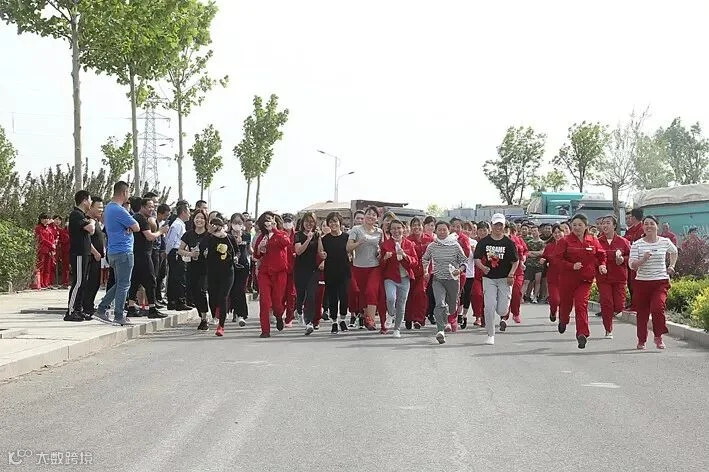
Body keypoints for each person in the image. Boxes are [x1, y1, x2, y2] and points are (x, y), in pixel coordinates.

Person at [556, 214, 607, 349]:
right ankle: (563, 320)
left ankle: (582, 334)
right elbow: (557, 260)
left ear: (586, 226)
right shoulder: (565, 241)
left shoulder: (592, 240)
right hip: (567, 280)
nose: (577, 227)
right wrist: (571, 266)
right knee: (566, 305)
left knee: (581, 305)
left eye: (580, 225)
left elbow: (601, 255)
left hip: (585, 279)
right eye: (574, 225)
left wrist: (602, 265)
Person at [629, 216, 678, 350]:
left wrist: (671, 266)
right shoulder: (637, 244)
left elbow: (674, 252)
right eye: (646, 224)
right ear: (643, 227)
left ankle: (658, 336)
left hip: (660, 282)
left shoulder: (665, 241)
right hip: (642, 283)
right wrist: (643, 260)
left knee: (658, 308)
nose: (649, 226)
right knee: (642, 313)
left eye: (651, 223)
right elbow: (632, 265)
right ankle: (641, 340)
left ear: (657, 226)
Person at [96, 182, 138, 325]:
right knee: (124, 284)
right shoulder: (119, 210)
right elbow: (136, 227)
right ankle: (119, 315)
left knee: (120, 283)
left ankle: (102, 308)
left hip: (113, 251)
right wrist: (129, 227)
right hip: (123, 251)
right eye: (128, 192)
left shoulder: (108, 208)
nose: (129, 195)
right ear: (124, 192)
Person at [474, 214, 519, 345]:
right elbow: (476, 258)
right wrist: (482, 267)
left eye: (500, 225)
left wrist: (511, 274)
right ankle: (490, 334)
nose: (498, 227)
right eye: (496, 225)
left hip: (504, 279)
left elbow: (515, 261)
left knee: (502, 310)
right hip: (489, 279)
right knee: (489, 306)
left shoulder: (508, 243)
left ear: (504, 226)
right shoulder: (484, 242)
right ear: (492, 225)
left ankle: (503, 307)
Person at [422, 221, 468, 344]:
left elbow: (464, 261)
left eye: (444, 230)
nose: (442, 232)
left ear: (448, 231)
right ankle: (440, 330)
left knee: (452, 307)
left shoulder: (455, 245)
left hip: (453, 280)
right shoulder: (432, 246)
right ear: (435, 231)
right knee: (440, 304)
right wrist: (425, 270)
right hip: (438, 279)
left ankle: (450, 315)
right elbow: (425, 259)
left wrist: (460, 270)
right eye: (439, 230)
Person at [126, 198, 169, 319]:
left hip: (137, 253)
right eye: (149, 207)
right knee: (151, 280)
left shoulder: (136, 218)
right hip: (143, 254)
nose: (152, 209)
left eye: (153, 207)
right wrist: (161, 231)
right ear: (142, 207)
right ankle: (152, 308)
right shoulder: (141, 219)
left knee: (135, 281)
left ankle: (131, 307)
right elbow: (149, 236)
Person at [253, 212, 291, 338]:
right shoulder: (261, 237)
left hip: (280, 272)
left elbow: (286, 242)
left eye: (270, 220)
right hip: (265, 273)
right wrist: (259, 249)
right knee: (265, 302)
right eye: (265, 221)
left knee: (277, 302)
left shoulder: (281, 234)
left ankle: (279, 315)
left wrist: (274, 229)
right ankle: (265, 330)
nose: (268, 223)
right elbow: (256, 255)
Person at [347, 206, 384, 331]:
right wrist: (359, 242)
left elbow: (382, 249)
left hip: (374, 266)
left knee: (371, 290)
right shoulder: (356, 230)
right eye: (369, 213)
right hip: (359, 267)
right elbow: (348, 247)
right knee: (362, 294)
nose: (371, 216)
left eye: (374, 215)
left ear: (377, 218)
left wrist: (380, 253)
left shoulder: (379, 232)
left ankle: (371, 320)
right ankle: (366, 317)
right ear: (365, 216)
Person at [380, 219, 417, 338]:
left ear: (403, 229)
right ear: (390, 231)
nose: (396, 231)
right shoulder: (385, 245)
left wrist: (405, 255)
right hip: (390, 277)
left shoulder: (409, 244)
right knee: (391, 298)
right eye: (393, 228)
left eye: (398, 228)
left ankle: (397, 329)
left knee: (401, 304)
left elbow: (415, 262)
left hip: (405, 278)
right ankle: (391, 313)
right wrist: (385, 258)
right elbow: (380, 264)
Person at [202, 218, 239, 337]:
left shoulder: (229, 238)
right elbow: (202, 247)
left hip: (228, 271)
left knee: (223, 297)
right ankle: (215, 313)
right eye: (213, 225)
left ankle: (221, 326)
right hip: (212, 272)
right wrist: (209, 233)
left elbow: (237, 251)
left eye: (218, 225)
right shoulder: (210, 237)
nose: (215, 227)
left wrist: (235, 257)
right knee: (213, 296)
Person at [596, 215, 630, 338]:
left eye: (608, 223)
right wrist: (599, 265)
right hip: (603, 278)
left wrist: (623, 259)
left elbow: (631, 256)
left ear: (614, 226)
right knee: (606, 303)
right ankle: (608, 329)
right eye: (603, 223)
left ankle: (617, 311)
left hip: (619, 277)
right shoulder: (597, 242)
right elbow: (592, 257)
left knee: (619, 306)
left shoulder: (623, 242)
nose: (604, 225)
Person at [65, 191, 96, 322]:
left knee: (83, 282)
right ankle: (71, 311)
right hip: (78, 253)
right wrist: (92, 221)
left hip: (85, 253)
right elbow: (91, 229)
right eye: (90, 200)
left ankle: (79, 309)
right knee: (78, 282)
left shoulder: (82, 215)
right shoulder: (76, 214)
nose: (91, 203)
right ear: (84, 201)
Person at [178, 210, 210, 328]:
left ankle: (204, 319)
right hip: (192, 267)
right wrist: (190, 254)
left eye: (202, 218)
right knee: (193, 293)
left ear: (206, 220)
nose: (199, 220)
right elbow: (180, 250)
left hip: (206, 268)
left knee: (201, 291)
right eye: (197, 217)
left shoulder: (209, 235)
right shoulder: (188, 234)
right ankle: (201, 314)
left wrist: (208, 253)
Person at [293, 212, 322, 335]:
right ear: (303, 222)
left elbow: (320, 251)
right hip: (300, 269)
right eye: (307, 221)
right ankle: (298, 310)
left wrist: (319, 239)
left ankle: (309, 322)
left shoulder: (317, 235)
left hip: (313, 270)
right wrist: (308, 239)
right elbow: (298, 251)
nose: (309, 224)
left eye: (311, 222)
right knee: (301, 295)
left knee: (311, 296)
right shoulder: (298, 235)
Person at [405, 216, 434, 329]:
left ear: (422, 226)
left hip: (425, 271)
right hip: (411, 271)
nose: (416, 227)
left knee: (420, 292)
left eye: (418, 225)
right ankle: (408, 318)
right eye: (414, 225)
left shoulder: (429, 239)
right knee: (410, 294)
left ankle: (419, 318)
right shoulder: (408, 240)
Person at [165, 203, 191, 311]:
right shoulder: (177, 225)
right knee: (179, 277)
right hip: (176, 251)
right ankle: (179, 301)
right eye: (188, 212)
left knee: (175, 277)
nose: (189, 215)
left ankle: (173, 301)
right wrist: (168, 252)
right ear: (183, 212)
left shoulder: (180, 224)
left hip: (176, 251)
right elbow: (171, 240)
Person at [82, 197, 105, 317]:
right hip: (91, 257)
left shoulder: (95, 221)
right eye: (99, 207)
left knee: (95, 283)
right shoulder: (87, 221)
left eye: (102, 208)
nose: (101, 210)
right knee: (90, 283)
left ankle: (89, 306)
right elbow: (86, 240)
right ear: (91, 207)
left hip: (97, 258)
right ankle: (86, 307)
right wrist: (95, 252)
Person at [228, 213, 251, 326]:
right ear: (231, 223)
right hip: (230, 265)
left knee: (240, 289)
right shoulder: (227, 235)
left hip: (243, 265)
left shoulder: (247, 235)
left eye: (239, 222)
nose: (237, 225)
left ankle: (241, 314)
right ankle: (234, 311)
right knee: (232, 290)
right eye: (235, 222)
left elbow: (249, 249)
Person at [540, 224, 563, 322]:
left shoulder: (569, 245)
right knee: (554, 300)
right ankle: (553, 311)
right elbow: (544, 256)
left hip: (566, 278)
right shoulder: (549, 246)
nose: (557, 235)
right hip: (553, 277)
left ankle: (563, 320)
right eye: (555, 233)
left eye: (559, 232)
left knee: (564, 302)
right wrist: (543, 260)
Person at [34, 213, 56, 289]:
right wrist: (51, 244)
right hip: (42, 250)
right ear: (40, 220)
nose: (45, 220)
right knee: (41, 267)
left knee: (48, 267)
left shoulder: (49, 228)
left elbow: (52, 237)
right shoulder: (38, 228)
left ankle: (46, 283)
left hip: (49, 251)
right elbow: (41, 239)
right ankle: (40, 283)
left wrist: (53, 247)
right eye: (43, 218)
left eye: (47, 218)